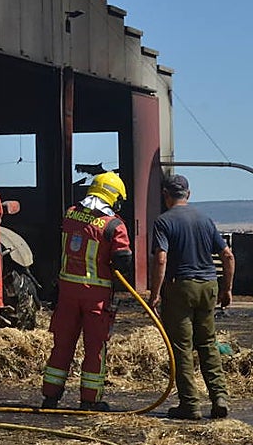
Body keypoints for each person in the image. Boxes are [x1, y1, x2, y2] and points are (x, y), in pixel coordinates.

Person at [40, 170, 134, 411]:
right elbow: (123, 260)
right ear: (114, 197)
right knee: (95, 348)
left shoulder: (71, 215)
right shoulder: (114, 225)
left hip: (67, 293)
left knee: (62, 345)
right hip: (96, 296)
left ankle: (50, 396)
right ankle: (90, 400)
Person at [147, 173, 235, 420]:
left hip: (181, 287)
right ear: (189, 194)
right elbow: (228, 256)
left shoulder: (163, 222)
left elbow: (161, 258)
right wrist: (227, 289)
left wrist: (155, 294)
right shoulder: (205, 220)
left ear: (166, 196)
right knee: (207, 343)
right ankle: (220, 397)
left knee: (182, 347)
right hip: (208, 285)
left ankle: (190, 404)